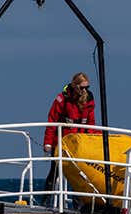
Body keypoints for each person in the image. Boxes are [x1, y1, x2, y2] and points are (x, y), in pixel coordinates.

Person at [41, 72, 96, 203]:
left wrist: (94, 141)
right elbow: (52, 120)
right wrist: (47, 143)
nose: (84, 90)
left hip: (80, 144)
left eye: (87, 87)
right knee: (54, 172)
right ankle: (46, 200)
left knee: (79, 175)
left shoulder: (89, 100)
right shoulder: (62, 99)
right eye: (82, 87)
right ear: (74, 85)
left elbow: (91, 123)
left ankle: (78, 205)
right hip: (62, 143)